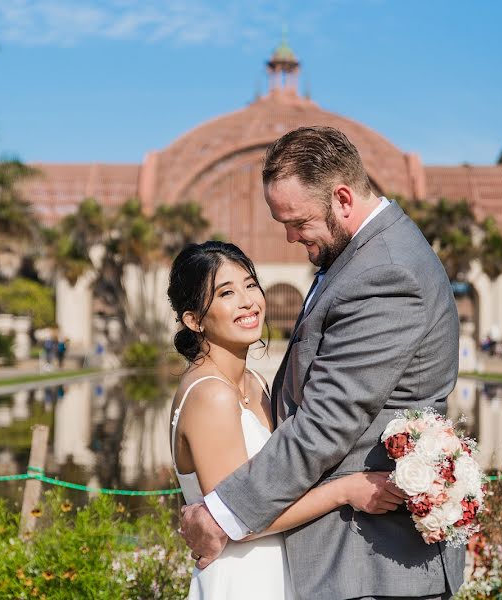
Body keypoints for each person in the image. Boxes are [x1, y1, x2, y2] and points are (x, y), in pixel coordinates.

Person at [180, 127, 463, 599]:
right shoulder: (360, 258)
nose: (290, 237)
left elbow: (327, 422)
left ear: (343, 199)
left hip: (372, 564)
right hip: (345, 558)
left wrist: (221, 512)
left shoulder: (385, 272)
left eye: (297, 221)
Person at [168, 240, 403, 600]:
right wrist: (344, 490)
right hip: (239, 579)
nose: (248, 301)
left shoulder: (255, 383)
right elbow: (236, 517)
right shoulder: (210, 396)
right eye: (226, 293)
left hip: (276, 570)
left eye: (250, 285)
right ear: (194, 319)